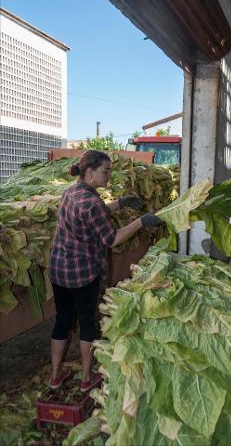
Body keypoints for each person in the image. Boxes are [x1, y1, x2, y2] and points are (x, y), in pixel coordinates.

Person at [48, 150, 162, 392]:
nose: (109, 176)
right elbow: (112, 239)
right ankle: (87, 378)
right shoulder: (92, 202)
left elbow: (91, 215)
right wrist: (141, 221)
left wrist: (120, 203)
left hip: (59, 270)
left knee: (62, 321)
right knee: (88, 323)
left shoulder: (70, 192)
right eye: (106, 171)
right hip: (83, 274)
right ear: (90, 172)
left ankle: (55, 375)